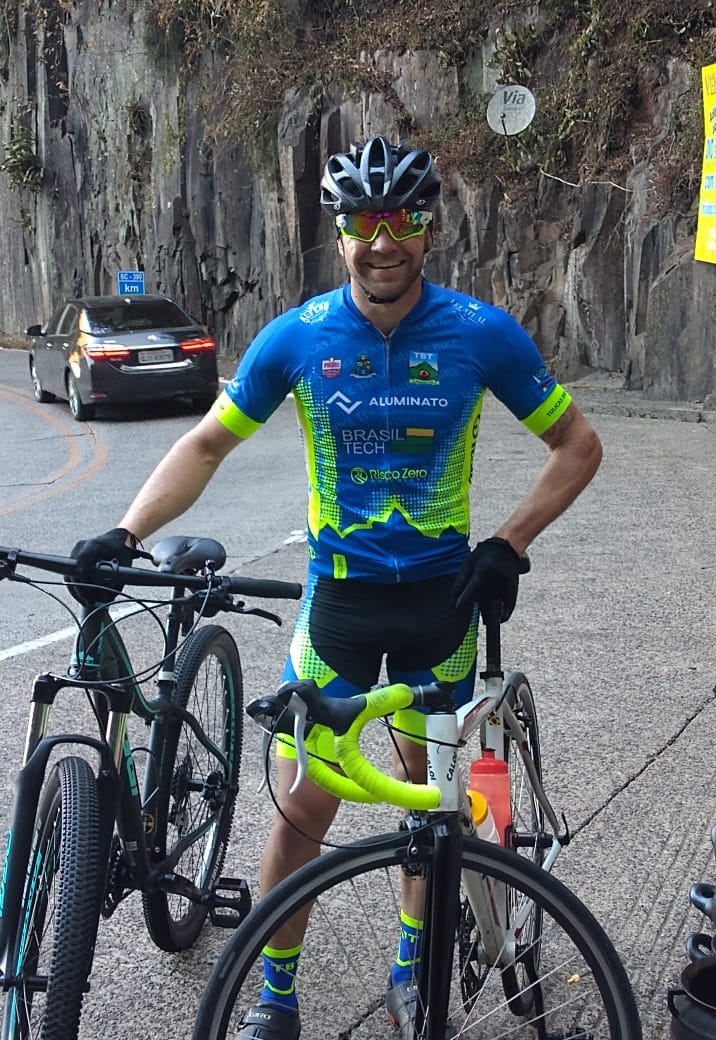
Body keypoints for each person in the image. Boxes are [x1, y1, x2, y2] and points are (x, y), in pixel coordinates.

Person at [71, 135, 602, 1040]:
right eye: (363, 223)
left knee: (436, 804)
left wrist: (507, 546)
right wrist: (127, 530)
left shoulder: (478, 333)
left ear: (428, 230)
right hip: (342, 606)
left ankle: (411, 962)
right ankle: (274, 993)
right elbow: (205, 443)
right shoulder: (302, 337)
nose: (382, 241)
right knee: (303, 803)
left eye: (402, 221)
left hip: (445, 603)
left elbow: (578, 448)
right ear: (340, 233)